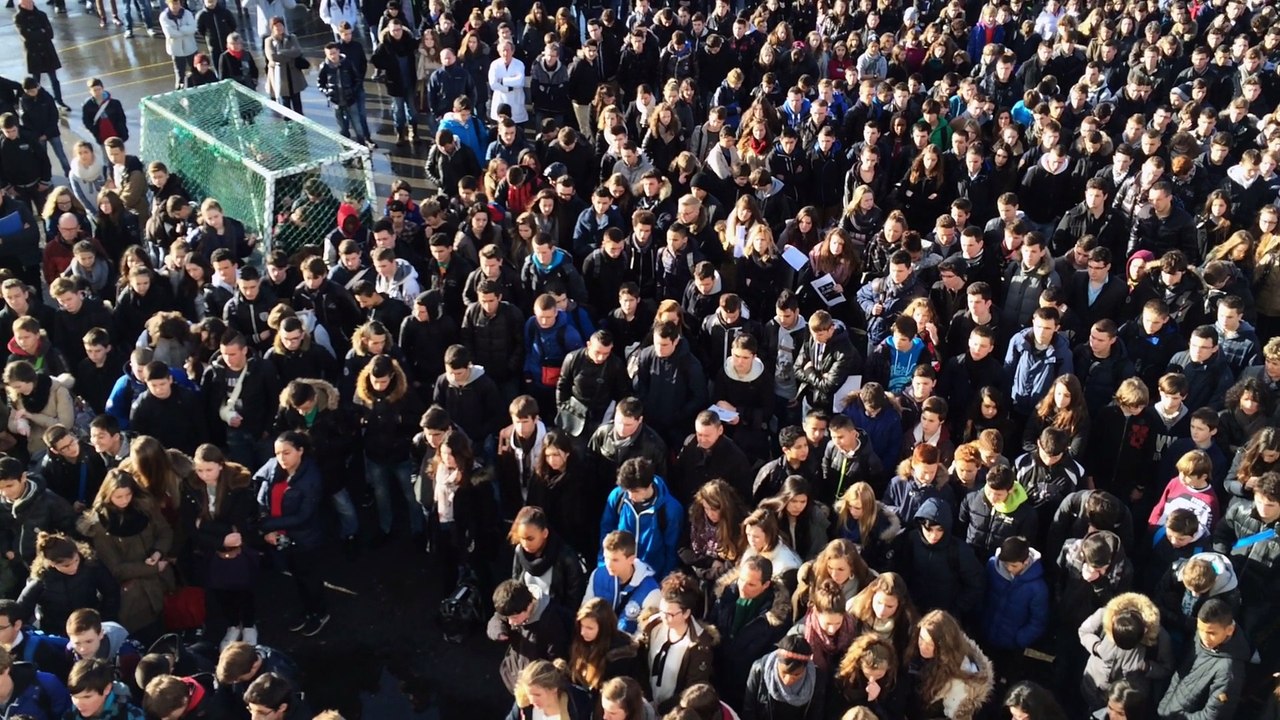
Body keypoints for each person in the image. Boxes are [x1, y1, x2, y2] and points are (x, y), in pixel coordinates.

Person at [76, 469, 175, 634]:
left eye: (128, 495)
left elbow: (164, 531)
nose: (124, 501)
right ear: (108, 495)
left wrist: (158, 552)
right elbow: (115, 568)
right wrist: (153, 568)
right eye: (118, 497)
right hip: (135, 595)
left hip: (162, 582)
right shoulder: (101, 525)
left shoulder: (145, 507)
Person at [183, 443, 258, 649]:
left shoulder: (239, 484)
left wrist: (205, 525)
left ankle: (249, 625)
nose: (204, 475)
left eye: (209, 469)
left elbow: (238, 522)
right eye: (199, 470)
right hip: (210, 549)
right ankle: (233, 625)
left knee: (244, 587)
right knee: (221, 588)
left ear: (221, 466)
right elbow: (189, 525)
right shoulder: (191, 486)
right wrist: (220, 539)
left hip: (239, 546)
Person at [254, 431, 327, 636]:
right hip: (282, 536)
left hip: (305, 539)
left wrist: (268, 525)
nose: (281, 458)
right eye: (277, 453)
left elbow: (303, 516)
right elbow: (261, 494)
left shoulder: (311, 477)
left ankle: (319, 613)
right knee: (297, 577)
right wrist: (267, 522)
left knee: (310, 578)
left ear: (300, 451)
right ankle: (307, 610)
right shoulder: (273, 466)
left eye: (286, 453)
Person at [711, 555, 791, 711]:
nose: (742, 587)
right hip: (718, 679)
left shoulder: (777, 617)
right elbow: (711, 625)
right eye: (741, 580)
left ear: (766, 584)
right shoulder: (725, 596)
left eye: (751, 584)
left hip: (746, 689)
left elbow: (771, 657)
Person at [1078, 591, 1174, 713]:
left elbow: (1167, 668)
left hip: (1125, 703)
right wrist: (1096, 647)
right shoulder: (1105, 614)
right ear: (1112, 623)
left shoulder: (1160, 638)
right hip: (1093, 689)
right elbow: (1084, 631)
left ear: (1144, 632)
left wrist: (1146, 666)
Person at [1156, 598, 1247, 720]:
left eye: (1211, 633)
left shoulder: (1229, 670)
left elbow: (1214, 716)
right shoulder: (1202, 635)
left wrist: (1177, 717)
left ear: (1229, 630)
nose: (1204, 637)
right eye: (1201, 629)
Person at [599, 457, 682, 579]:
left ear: (649, 485)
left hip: (653, 578)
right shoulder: (617, 497)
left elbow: (672, 552)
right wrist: (603, 567)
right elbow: (606, 533)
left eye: (636, 491)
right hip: (618, 574)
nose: (631, 496)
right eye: (628, 490)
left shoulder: (671, 510)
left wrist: (664, 581)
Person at [487, 578, 572, 695]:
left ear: (529, 606)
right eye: (508, 618)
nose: (511, 622)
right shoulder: (513, 605)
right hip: (514, 674)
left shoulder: (552, 623)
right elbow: (497, 618)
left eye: (514, 618)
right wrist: (499, 632)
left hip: (534, 685)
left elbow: (555, 661)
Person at [907, 610, 994, 720]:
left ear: (944, 646)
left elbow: (953, 714)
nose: (923, 647)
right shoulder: (917, 649)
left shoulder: (962, 676)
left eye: (930, 644)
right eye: (921, 639)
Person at [509, 506, 585, 608]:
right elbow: (516, 585)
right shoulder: (519, 551)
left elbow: (574, 597)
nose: (525, 544)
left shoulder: (565, 556)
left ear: (545, 533)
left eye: (530, 538)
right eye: (522, 538)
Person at [742, 634, 825, 719]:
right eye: (784, 673)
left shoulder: (816, 680)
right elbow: (749, 711)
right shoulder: (759, 670)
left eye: (796, 675)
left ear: (806, 668)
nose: (787, 681)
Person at [371, 18, 421, 144]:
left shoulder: (408, 41)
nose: (397, 33)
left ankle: (414, 132)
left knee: (412, 110)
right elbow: (375, 60)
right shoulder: (384, 45)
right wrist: (388, 65)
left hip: (410, 81)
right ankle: (400, 134)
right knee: (398, 112)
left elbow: (421, 44)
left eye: (399, 30)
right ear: (389, 30)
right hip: (395, 83)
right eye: (394, 30)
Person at [506, 659, 593, 720]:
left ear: (554, 689)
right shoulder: (523, 705)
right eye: (529, 694)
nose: (532, 700)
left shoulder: (578, 703)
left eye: (537, 695)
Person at [65, 658, 144, 720]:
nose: (78, 703)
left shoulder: (132, 716)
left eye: (87, 697)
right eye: (75, 696)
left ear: (107, 689)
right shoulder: (70, 716)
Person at [263, 18, 306, 114]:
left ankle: (300, 126)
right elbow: (273, 57)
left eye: (281, 25)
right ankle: (289, 125)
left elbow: (297, 51)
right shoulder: (268, 41)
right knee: (285, 104)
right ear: (272, 28)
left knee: (297, 103)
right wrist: (290, 55)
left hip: (293, 75)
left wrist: (282, 52)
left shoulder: (292, 37)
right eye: (276, 26)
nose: (279, 28)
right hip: (279, 77)